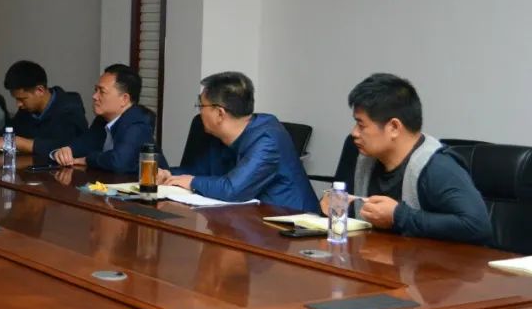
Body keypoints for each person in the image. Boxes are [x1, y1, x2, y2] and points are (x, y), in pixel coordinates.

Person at [325, 73, 492, 245]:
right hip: (370, 254)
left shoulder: (438, 167)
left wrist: (398, 216)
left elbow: (477, 226)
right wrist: (331, 204)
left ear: (394, 127)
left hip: (425, 260)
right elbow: (340, 208)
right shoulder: (357, 150)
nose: (354, 133)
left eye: (361, 125)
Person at [157, 71, 317, 212]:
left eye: (201, 106)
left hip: (292, 222)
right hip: (246, 216)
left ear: (220, 114)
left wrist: (192, 182)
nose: (200, 112)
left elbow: (233, 189)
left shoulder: (267, 139)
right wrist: (169, 175)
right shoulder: (214, 134)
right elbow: (199, 171)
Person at [52, 64, 167, 174]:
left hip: (152, 186)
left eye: (102, 92)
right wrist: (63, 152)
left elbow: (118, 162)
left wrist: (87, 160)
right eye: (96, 90)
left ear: (124, 99)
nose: (94, 96)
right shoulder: (102, 120)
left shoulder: (138, 123)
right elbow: (80, 147)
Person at [0, 60, 88, 161]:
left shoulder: (69, 108)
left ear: (39, 90)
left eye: (22, 99)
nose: (18, 104)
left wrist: (16, 142)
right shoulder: (26, 110)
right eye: (16, 99)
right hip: (29, 170)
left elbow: (67, 147)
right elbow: (8, 133)